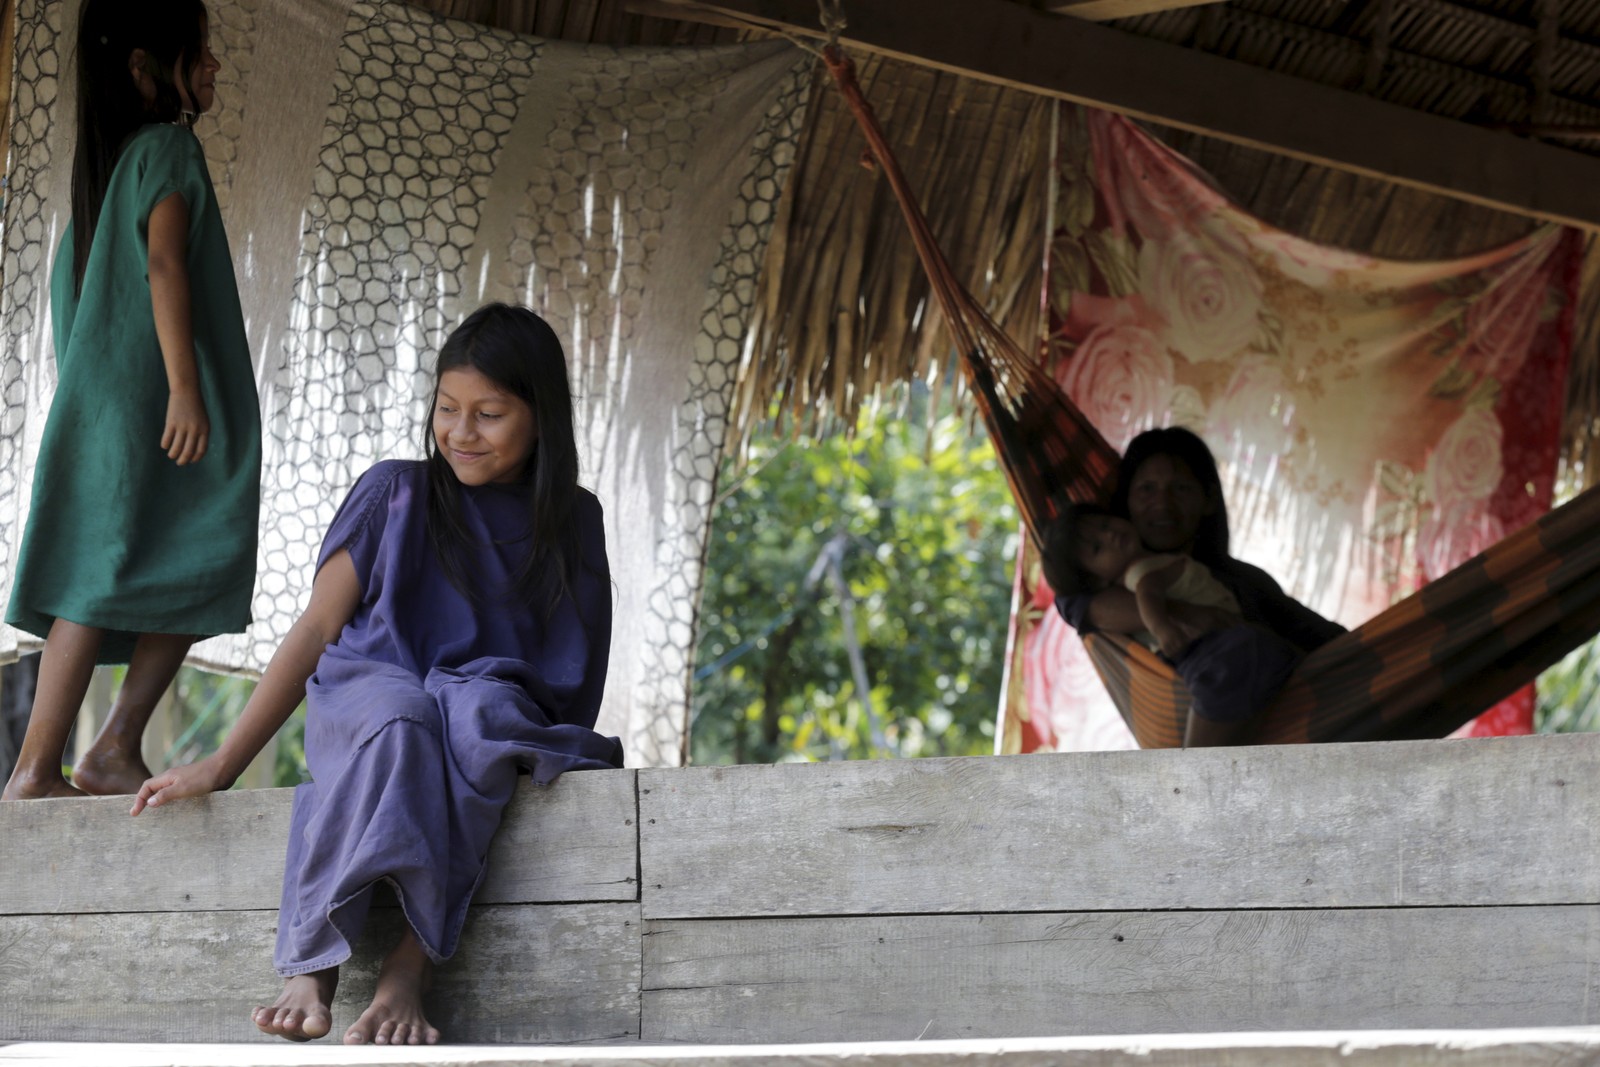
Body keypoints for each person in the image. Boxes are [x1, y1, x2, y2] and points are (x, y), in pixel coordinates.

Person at [130, 304, 621, 1046]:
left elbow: (582, 659)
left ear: (542, 417)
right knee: (405, 718)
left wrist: (555, 744)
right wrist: (224, 763)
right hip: (371, 689)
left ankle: (407, 970)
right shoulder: (394, 491)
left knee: (477, 716)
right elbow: (318, 629)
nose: (460, 432)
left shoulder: (574, 519)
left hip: (487, 709)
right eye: (447, 409)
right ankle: (311, 963)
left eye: (489, 414)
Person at [3, 0, 261, 801]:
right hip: (155, 409)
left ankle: (55, 762)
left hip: (101, 419)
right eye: (202, 52)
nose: (216, 66)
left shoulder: (101, 186)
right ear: (147, 70)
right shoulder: (168, 151)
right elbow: (164, 267)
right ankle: (82, 752)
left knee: (97, 569)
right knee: (213, 535)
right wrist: (185, 389)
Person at [1052, 427, 1345, 745]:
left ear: (1207, 501)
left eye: (1181, 488)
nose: (1162, 504)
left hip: (1289, 730)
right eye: (1147, 489)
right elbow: (1073, 604)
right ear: (1126, 503)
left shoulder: (1244, 580)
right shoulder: (1098, 580)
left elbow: (1327, 641)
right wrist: (1188, 615)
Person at [1042, 502, 1301, 746]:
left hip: (1225, 643)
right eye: (1097, 548)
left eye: (1105, 524)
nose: (1109, 535)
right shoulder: (1140, 573)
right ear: (1097, 582)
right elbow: (1148, 595)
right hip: (1205, 649)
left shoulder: (1150, 562)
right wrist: (1162, 629)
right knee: (1224, 679)